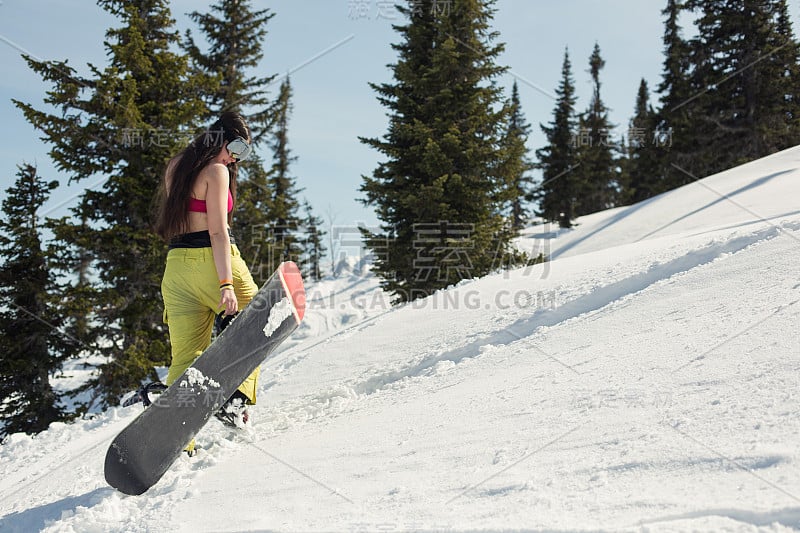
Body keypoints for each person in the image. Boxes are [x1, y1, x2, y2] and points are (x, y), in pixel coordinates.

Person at [154, 111, 258, 453]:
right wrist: (225, 283)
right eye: (237, 147)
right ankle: (235, 399)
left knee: (185, 357)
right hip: (209, 262)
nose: (236, 158)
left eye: (243, 154)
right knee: (258, 317)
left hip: (176, 268)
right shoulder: (217, 171)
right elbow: (217, 231)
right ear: (221, 137)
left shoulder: (176, 165)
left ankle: (177, 442)